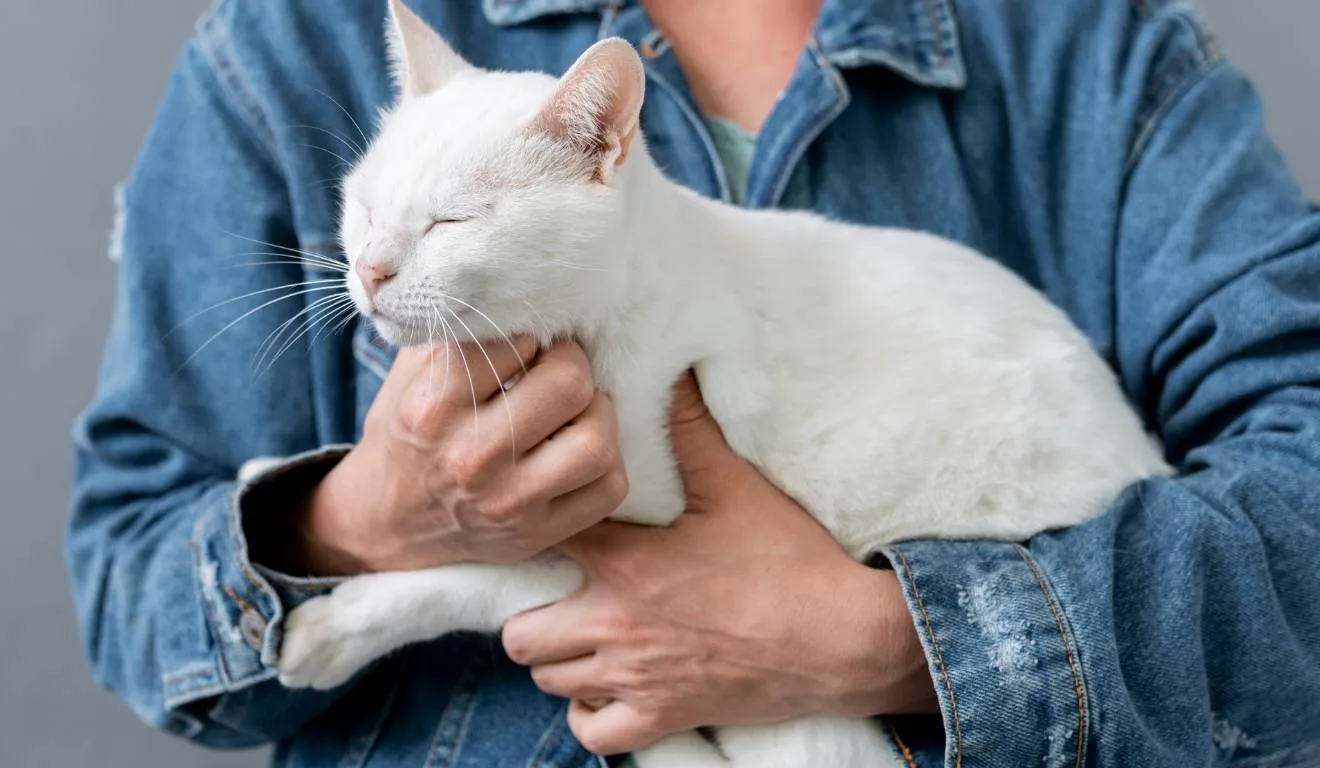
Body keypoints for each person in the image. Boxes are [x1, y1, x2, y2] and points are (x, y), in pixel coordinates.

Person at [68, 0, 1320, 765]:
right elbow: (130, 580)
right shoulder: (290, 40)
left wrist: (888, 640)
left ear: (603, 146)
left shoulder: (1094, 53)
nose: (373, 272)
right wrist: (365, 523)